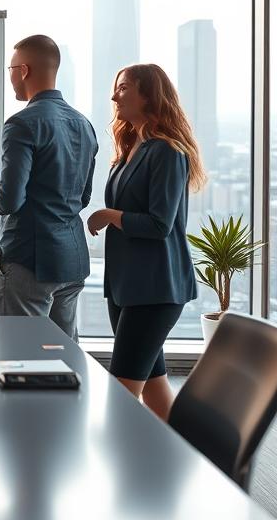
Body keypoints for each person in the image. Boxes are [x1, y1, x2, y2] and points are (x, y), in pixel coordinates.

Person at [87, 64, 205, 421]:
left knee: (122, 397)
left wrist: (109, 215)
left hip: (155, 289)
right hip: (127, 287)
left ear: (148, 94)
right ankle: (186, 464)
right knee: (153, 385)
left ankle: (118, 471)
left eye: (123, 88)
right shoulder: (130, 148)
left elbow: (159, 224)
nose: (114, 96)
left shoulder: (168, 152)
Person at [0, 34, 97, 340]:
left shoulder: (22, 123)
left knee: (18, 357)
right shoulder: (83, 124)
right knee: (63, 358)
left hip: (29, 259)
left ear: (23, 70)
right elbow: (85, 195)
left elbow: (9, 200)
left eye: (10, 68)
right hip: (72, 260)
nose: (10, 76)